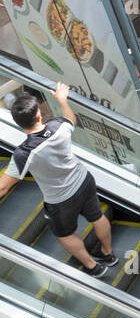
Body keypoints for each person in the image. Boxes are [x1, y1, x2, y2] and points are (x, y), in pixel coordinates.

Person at [0, 85, 118, 276]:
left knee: (64, 235)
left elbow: (3, 188)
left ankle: (93, 267)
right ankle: (108, 254)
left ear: (18, 124)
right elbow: (72, 119)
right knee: (96, 216)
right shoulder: (59, 125)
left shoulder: (24, 153)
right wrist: (62, 100)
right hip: (83, 181)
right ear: (38, 116)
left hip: (60, 201)